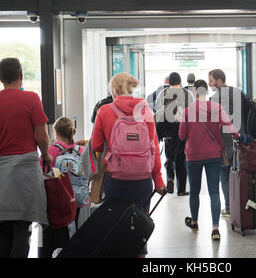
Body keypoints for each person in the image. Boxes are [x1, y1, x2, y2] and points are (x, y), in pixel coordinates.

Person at [92, 72, 165, 258]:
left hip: (116, 178)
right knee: (139, 227)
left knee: (115, 226)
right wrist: (158, 180)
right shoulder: (145, 110)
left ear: (115, 90)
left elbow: (96, 145)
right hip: (142, 180)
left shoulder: (105, 110)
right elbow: (154, 148)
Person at [0, 57, 52, 258]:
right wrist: (46, 154)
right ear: (21, 75)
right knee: (22, 228)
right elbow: (42, 135)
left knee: (3, 229)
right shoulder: (31, 99)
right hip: (25, 170)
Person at [179, 79, 238, 241]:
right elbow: (229, 127)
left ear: (195, 93)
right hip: (213, 155)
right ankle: (215, 229)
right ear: (207, 91)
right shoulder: (217, 108)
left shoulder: (188, 110)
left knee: (195, 192)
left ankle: (195, 222)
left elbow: (182, 135)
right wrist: (239, 136)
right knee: (214, 192)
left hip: (193, 155)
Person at [38, 117, 86, 258]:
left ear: (55, 132)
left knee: (49, 247)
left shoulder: (50, 152)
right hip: (78, 205)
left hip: (56, 208)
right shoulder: (81, 150)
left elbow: (42, 176)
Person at [208, 69, 247, 217]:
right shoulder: (239, 93)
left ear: (219, 81)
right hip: (239, 142)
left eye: (211, 81)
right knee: (240, 174)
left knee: (224, 176)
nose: (210, 84)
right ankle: (241, 205)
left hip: (223, 145)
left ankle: (230, 208)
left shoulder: (213, 100)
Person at [155, 72, 195, 196]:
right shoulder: (187, 94)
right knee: (181, 159)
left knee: (169, 157)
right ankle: (181, 189)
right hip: (182, 130)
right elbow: (192, 112)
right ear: (180, 81)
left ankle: (170, 178)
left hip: (168, 130)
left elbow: (158, 110)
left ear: (169, 82)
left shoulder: (163, 93)